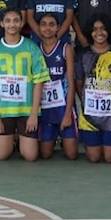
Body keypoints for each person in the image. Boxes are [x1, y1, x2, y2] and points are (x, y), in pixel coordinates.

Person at [0, 8, 49, 162]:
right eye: (8, 21)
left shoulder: (32, 47)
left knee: (30, 156)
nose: (12, 24)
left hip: (26, 110)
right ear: (2, 24)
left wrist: (33, 114)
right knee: (2, 155)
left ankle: (20, 139)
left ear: (21, 23)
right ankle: (11, 139)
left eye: (16, 20)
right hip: (5, 110)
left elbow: (39, 81)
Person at [75, 14, 111, 164]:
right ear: (89, 32)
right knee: (94, 158)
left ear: (109, 31)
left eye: (103, 29)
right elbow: (79, 83)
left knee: (110, 158)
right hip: (90, 114)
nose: (99, 33)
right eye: (94, 30)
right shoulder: (83, 54)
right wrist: (86, 100)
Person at [35, 14, 78, 160]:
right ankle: (53, 136)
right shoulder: (35, 50)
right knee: (45, 154)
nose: (47, 28)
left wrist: (67, 115)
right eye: (44, 24)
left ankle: (63, 134)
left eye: (51, 24)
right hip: (45, 107)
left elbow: (71, 83)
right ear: (39, 27)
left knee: (71, 155)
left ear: (58, 27)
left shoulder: (66, 48)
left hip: (63, 105)